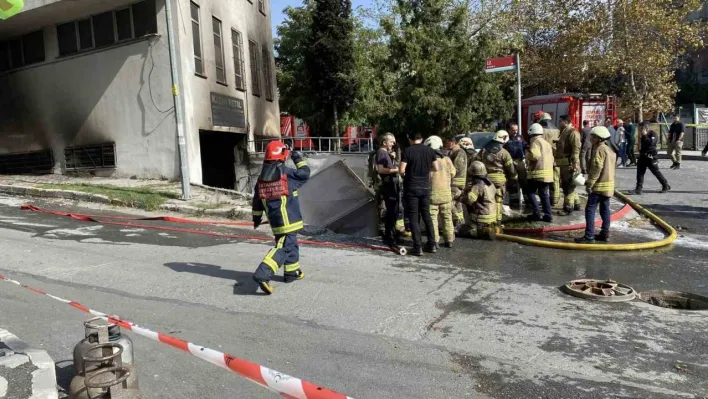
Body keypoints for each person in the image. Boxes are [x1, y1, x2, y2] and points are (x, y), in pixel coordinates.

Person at [252, 141, 309, 295]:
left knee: (291, 244)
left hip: (276, 222)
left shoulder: (261, 178)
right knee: (285, 247)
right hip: (289, 220)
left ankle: (292, 272)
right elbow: (305, 173)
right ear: (283, 154)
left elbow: (257, 201)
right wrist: (296, 157)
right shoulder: (286, 173)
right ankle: (263, 273)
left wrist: (256, 219)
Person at [400, 132, 440, 256]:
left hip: (412, 187)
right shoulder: (430, 151)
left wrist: (407, 175)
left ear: (410, 139)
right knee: (426, 214)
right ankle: (432, 244)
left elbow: (402, 170)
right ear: (421, 139)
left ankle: (418, 247)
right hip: (425, 187)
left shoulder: (408, 151)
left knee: (413, 217)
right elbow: (436, 168)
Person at [575, 127, 616, 244]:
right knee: (605, 210)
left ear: (599, 138)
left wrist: (590, 184)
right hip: (608, 186)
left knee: (590, 209)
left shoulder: (600, 149)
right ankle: (605, 233)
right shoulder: (609, 150)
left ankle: (589, 236)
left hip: (598, 186)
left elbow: (596, 168)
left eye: (593, 137)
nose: (591, 138)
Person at [475, 130, 517, 225]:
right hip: (499, 181)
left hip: (486, 179)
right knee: (498, 201)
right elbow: (510, 168)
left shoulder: (484, 150)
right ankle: (497, 221)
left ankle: (488, 219)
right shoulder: (504, 152)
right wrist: (514, 177)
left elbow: (476, 161)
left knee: (488, 199)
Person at [375, 133, 406, 246]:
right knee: (391, 211)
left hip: (392, 186)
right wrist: (396, 170)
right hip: (388, 186)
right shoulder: (381, 153)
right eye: (391, 142)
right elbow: (381, 169)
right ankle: (390, 237)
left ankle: (392, 235)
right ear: (384, 142)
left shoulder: (386, 153)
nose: (393, 144)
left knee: (394, 211)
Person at [425, 135, 456, 248]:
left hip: (432, 194)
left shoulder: (428, 161)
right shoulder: (447, 160)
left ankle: (435, 241)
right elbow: (453, 173)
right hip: (446, 194)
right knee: (447, 217)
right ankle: (449, 240)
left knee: (433, 218)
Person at [459, 161, 497, 239]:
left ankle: (482, 232)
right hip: (492, 216)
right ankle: (489, 227)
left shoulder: (478, 186)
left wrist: (459, 198)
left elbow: (469, 200)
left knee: (462, 230)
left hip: (481, 217)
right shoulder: (490, 184)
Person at [525, 123, 554, 222]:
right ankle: (548, 215)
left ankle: (536, 214)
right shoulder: (546, 143)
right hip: (547, 175)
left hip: (537, 174)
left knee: (530, 192)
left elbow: (534, 156)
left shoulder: (535, 142)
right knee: (544, 194)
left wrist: (527, 155)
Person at [633, 121, 670, 194]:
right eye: (639, 129)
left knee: (656, 172)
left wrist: (645, 135)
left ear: (646, 128)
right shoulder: (642, 135)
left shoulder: (653, 134)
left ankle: (665, 185)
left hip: (650, 157)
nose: (640, 130)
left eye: (641, 128)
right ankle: (638, 189)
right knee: (640, 173)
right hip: (642, 157)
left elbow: (650, 144)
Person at [555, 115, 582, 215]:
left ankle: (567, 208)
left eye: (560, 121)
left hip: (569, 164)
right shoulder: (564, 132)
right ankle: (577, 204)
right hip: (564, 163)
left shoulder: (573, 133)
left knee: (568, 186)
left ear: (566, 122)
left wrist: (575, 163)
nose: (559, 124)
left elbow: (576, 149)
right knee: (570, 185)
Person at [445, 136, 468, 230]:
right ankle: (460, 224)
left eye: (446, 143)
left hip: (456, 183)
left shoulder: (459, 152)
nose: (445, 145)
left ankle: (458, 220)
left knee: (447, 202)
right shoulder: (453, 152)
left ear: (452, 142)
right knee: (457, 204)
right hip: (454, 183)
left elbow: (456, 168)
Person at [504, 123, 529, 208]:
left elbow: (525, 145)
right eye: (513, 130)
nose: (515, 132)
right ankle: (514, 203)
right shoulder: (505, 138)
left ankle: (528, 202)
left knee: (524, 182)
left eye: (516, 130)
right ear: (509, 130)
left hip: (520, 162)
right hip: (510, 162)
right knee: (512, 182)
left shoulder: (520, 137)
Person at [540, 113, 561, 206]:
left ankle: (546, 198)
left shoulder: (541, 131)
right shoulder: (557, 130)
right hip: (556, 158)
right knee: (555, 179)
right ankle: (555, 199)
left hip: (545, 159)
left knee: (544, 179)